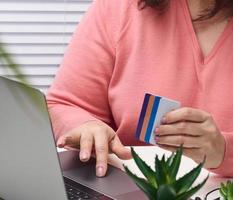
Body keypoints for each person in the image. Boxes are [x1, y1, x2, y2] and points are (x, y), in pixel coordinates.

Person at [46, 0, 233, 177]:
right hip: (127, 186)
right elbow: (63, 104)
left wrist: (224, 152)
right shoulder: (119, 7)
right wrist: (86, 127)